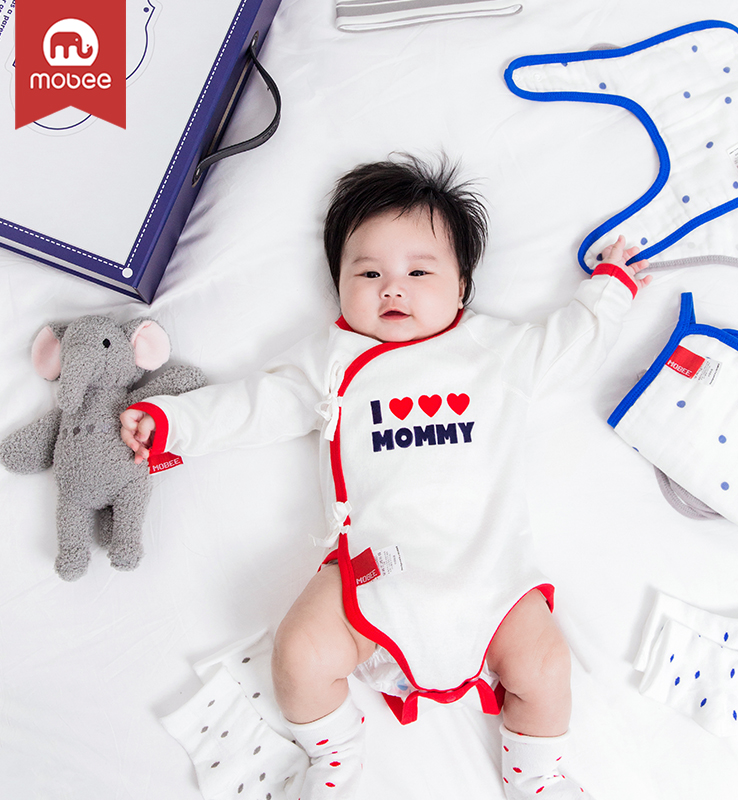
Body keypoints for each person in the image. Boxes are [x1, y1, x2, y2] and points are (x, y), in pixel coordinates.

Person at [120, 155, 650, 799]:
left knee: (544, 665)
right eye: (368, 273)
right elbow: (255, 405)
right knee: (300, 653)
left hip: (490, 577)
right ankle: (334, 755)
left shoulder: (495, 351)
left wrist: (610, 289)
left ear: (461, 286)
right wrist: (173, 424)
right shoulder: (331, 360)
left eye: (418, 272)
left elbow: (570, 343)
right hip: (373, 580)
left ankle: (538, 778)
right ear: (339, 285)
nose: (392, 289)